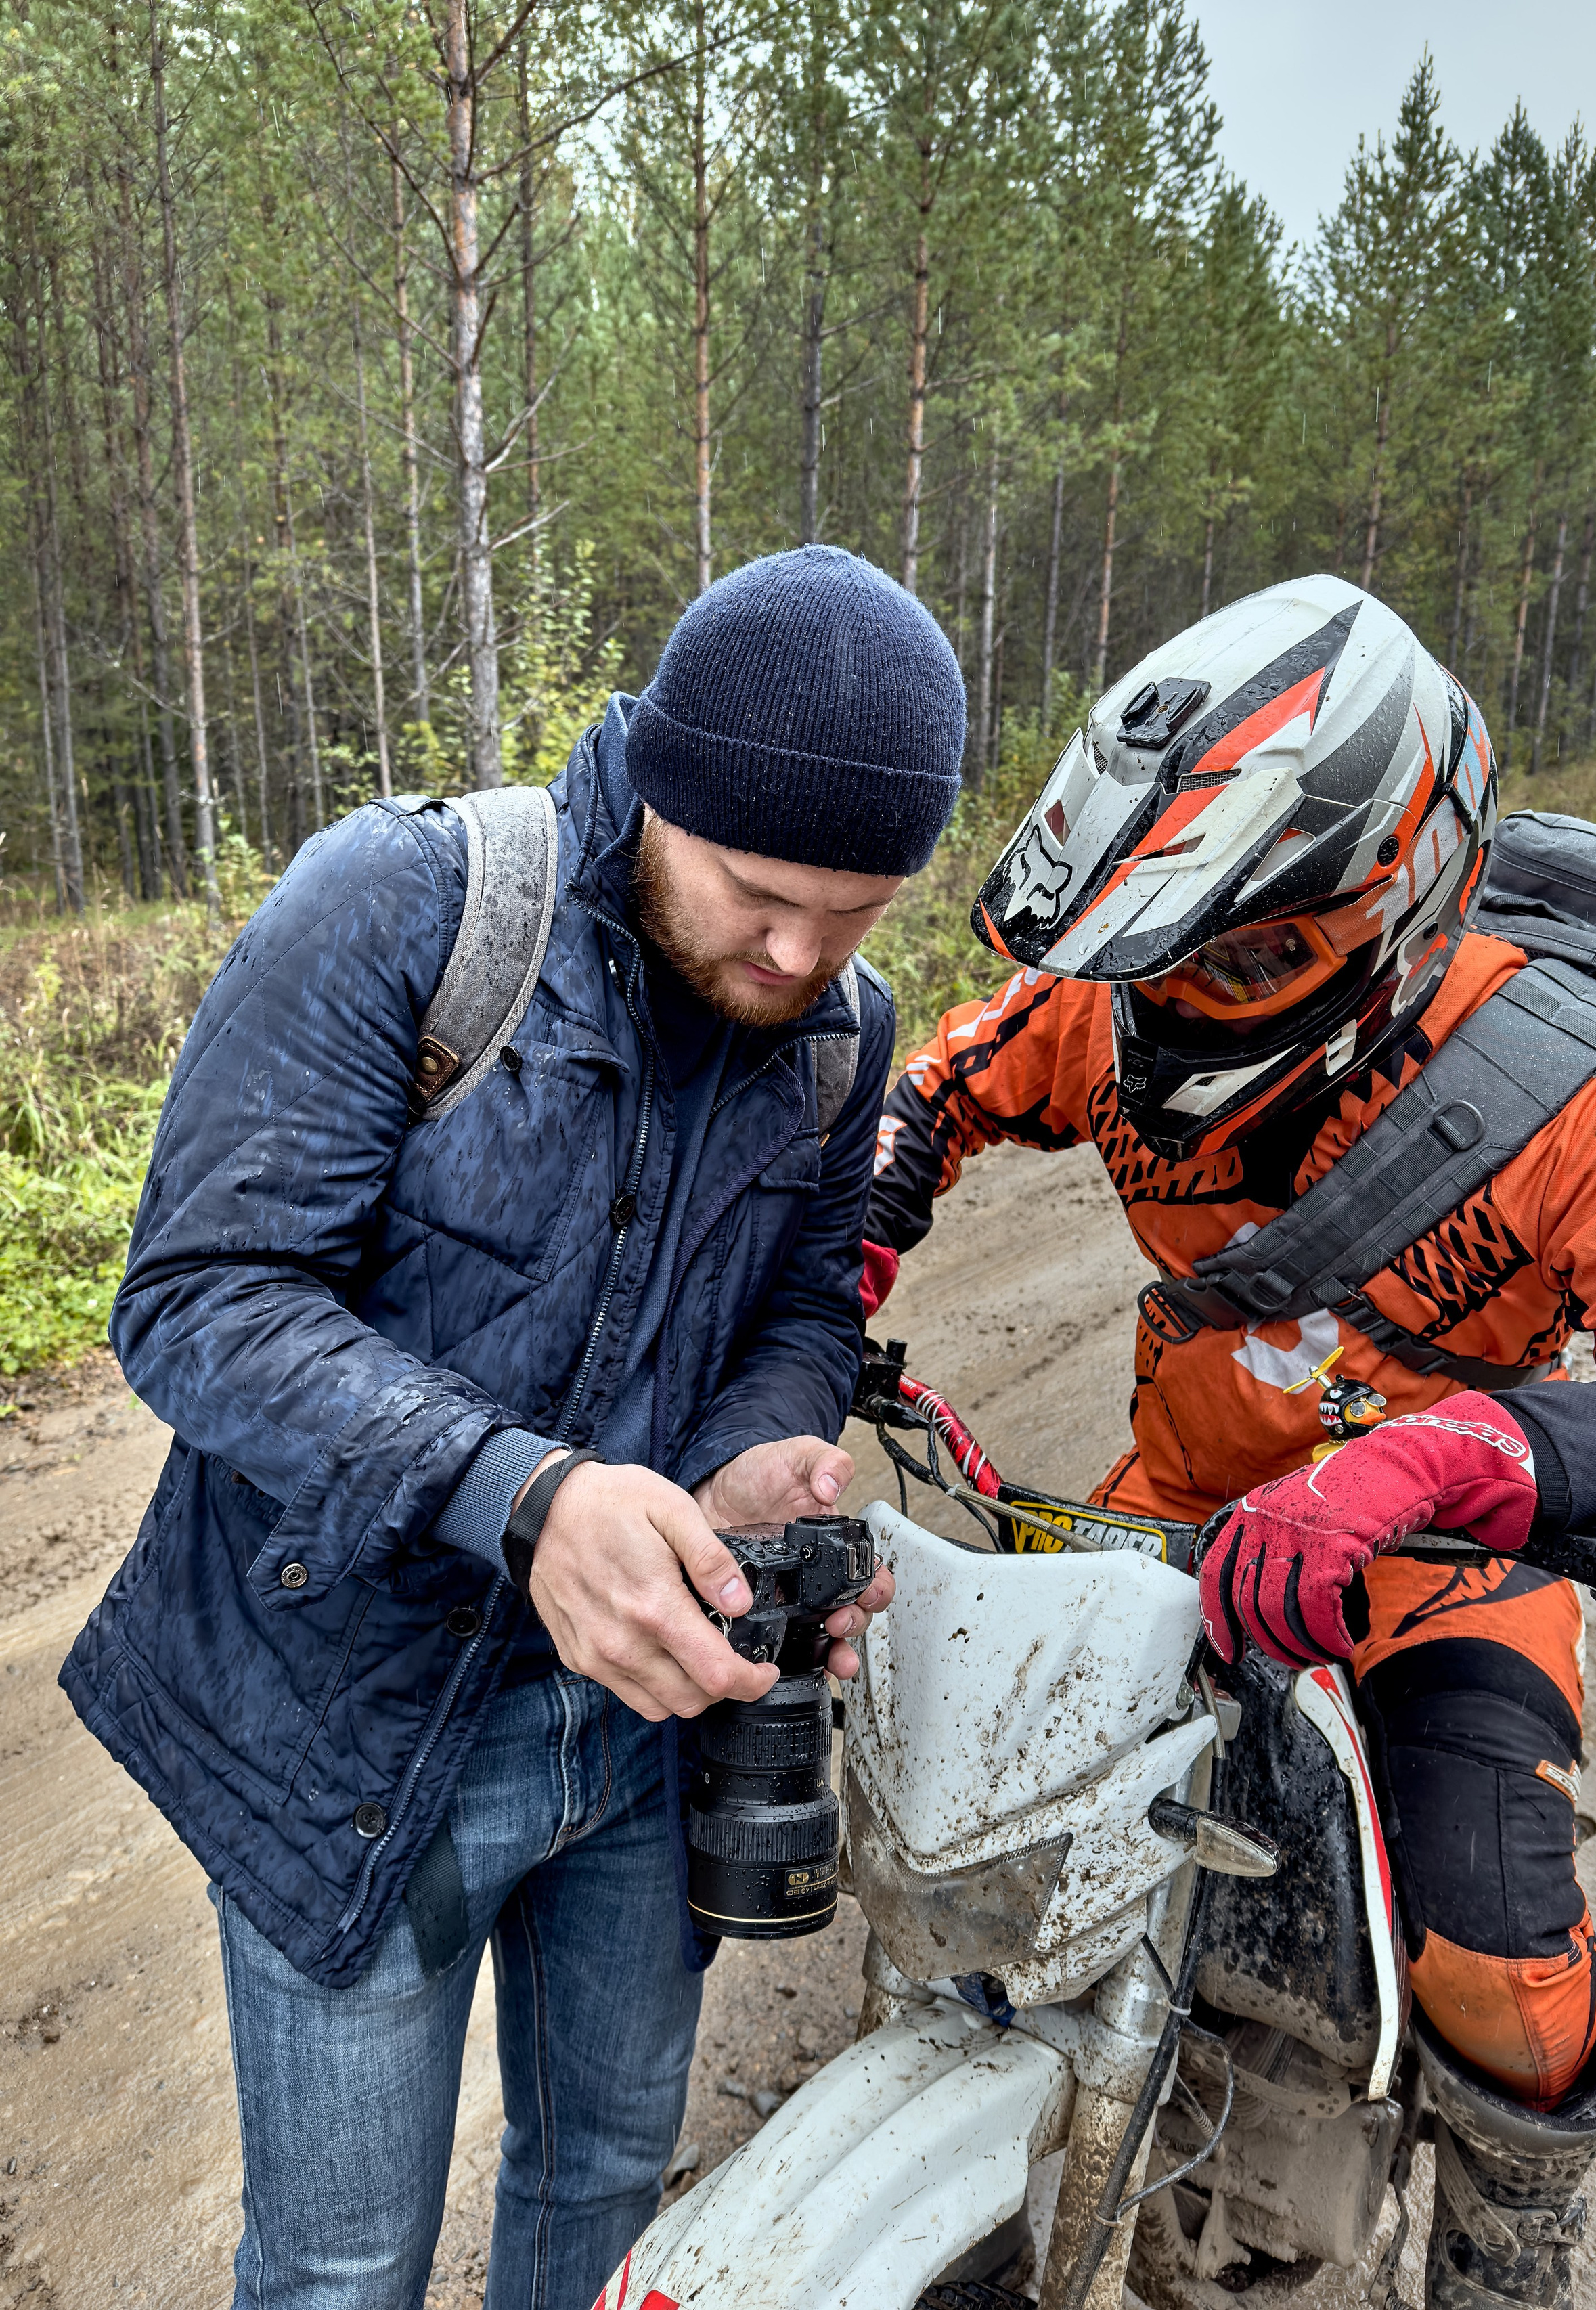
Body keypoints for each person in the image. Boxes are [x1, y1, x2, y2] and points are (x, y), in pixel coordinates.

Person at [62, 544, 967, 2309]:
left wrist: (762, 1446)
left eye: (856, 911)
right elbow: (201, 1298)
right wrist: (528, 1498)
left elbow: (802, 1305)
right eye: (761, 893)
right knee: (339, 2260)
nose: (801, 953)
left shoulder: (840, 1039)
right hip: (346, 1721)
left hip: (642, 1734)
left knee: (614, 2199)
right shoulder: (413, 910)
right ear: (660, 793)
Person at [865, 573, 1596, 2308]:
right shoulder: (1103, 1013)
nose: (1190, 992)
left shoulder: (1575, 1100)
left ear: (1396, 894)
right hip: (1171, 1517)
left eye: (1254, 951)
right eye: (1171, 945)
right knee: (962, 1843)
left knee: (1489, 1934)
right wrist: (836, 1265)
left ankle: (1512, 2214)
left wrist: (1422, 1466)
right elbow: (923, 1099)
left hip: (1441, 1563)